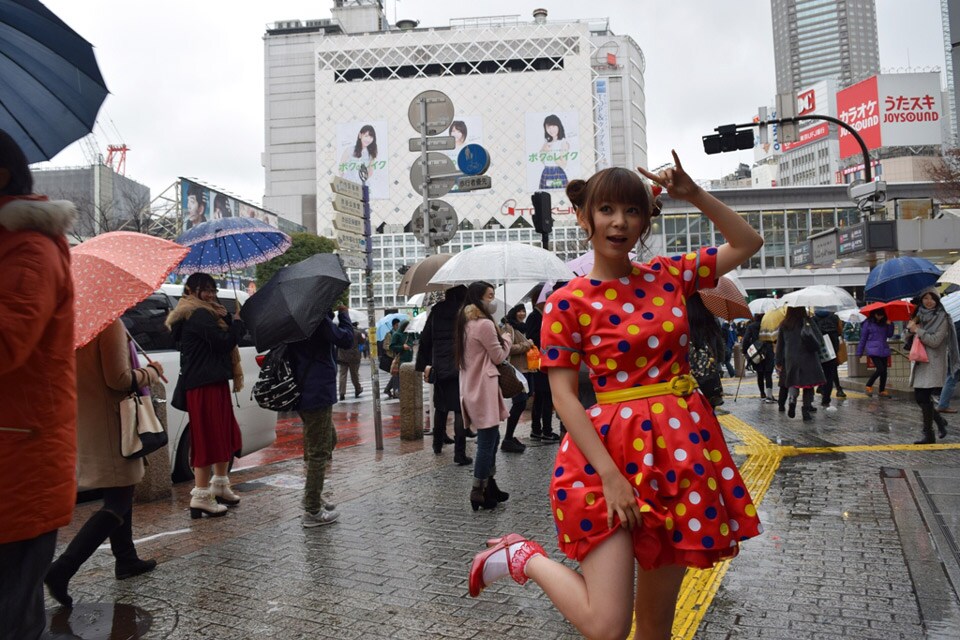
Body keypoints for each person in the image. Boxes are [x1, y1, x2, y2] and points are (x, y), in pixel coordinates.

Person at [469, 154, 764, 640]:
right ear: (585, 217)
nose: (619, 222)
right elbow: (563, 396)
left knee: (654, 629)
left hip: (681, 454)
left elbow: (747, 242)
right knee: (607, 626)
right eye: (606, 209)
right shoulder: (568, 301)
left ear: (646, 220)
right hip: (606, 457)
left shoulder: (669, 275)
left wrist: (694, 195)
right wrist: (610, 477)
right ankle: (524, 558)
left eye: (631, 211)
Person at [0, 130, 77, 640]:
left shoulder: (28, 251)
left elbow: (8, 343)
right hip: (15, 453)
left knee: (13, 620)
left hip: (18, 459)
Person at [44, 320, 162, 608]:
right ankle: (62, 569)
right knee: (118, 501)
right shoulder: (108, 324)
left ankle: (126, 558)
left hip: (89, 416)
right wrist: (151, 372)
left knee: (120, 490)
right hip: (112, 422)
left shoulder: (71, 324)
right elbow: (118, 379)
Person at [166, 273, 245, 519]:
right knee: (207, 437)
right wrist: (238, 323)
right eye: (205, 290)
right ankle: (201, 495)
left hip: (211, 381)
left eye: (213, 289)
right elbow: (223, 343)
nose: (211, 294)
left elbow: (219, 339)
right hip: (204, 385)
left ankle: (220, 484)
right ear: (190, 290)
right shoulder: (197, 313)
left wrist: (227, 318)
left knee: (222, 433)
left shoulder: (205, 312)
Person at [287, 305, 354, 526]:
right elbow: (345, 339)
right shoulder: (314, 318)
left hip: (303, 389)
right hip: (317, 391)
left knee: (326, 440)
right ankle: (312, 510)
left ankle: (312, 493)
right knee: (319, 450)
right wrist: (344, 315)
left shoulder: (297, 319)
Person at [456, 281, 512, 511]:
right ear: (478, 298)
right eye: (490, 295)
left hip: (471, 387)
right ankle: (478, 489)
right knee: (487, 441)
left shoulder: (464, 323)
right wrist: (507, 338)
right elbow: (498, 357)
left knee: (491, 438)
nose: (493, 300)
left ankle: (490, 486)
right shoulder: (483, 325)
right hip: (483, 388)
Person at [415, 286, 472, 464]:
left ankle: (437, 445)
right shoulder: (465, 312)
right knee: (459, 410)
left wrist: (422, 365)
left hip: (440, 366)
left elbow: (425, 339)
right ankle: (459, 454)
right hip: (460, 365)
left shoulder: (437, 310)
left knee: (440, 406)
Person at [905, 289, 960, 444]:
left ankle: (929, 434)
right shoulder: (918, 316)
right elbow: (908, 338)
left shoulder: (942, 317)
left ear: (937, 300)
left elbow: (936, 341)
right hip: (920, 361)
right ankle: (939, 423)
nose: (928, 301)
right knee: (920, 398)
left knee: (923, 397)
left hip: (933, 362)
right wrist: (909, 330)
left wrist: (918, 331)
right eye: (926, 298)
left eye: (932, 299)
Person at [775, 306, 826, 421]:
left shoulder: (784, 324)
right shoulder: (808, 321)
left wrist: (778, 361)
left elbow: (780, 345)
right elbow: (820, 339)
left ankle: (792, 399)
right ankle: (806, 410)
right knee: (808, 384)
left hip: (791, 358)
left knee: (793, 381)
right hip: (808, 356)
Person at [525, 297, 561, 442]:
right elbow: (533, 338)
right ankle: (545, 430)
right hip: (539, 363)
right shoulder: (534, 317)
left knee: (542, 398)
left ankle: (538, 430)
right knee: (545, 397)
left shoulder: (541, 316)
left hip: (542, 362)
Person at [500, 304, 534, 453]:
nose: (522, 314)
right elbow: (508, 348)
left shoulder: (521, 327)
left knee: (522, 401)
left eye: (523, 311)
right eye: (519, 311)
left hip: (525, 369)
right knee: (519, 402)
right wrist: (527, 345)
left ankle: (510, 436)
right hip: (515, 370)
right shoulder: (508, 328)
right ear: (513, 313)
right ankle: (507, 438)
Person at [688, 294, 726, 411]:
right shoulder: (710, 322)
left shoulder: (680, 321)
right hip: (709, 377)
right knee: (709, 412)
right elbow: (720, 349)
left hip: (687, 379)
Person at [856, 308, 894, 398]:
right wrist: (859, 352)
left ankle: (882, 390)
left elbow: (889, 334)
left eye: (882, 315)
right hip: (872, 350)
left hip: (883, 349)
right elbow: (863, 338)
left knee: (884, 371)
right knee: (880, 369)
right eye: (878, 315)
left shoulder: (885, 323)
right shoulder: (868, 323)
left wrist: (890, 325)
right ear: (874, 314)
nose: (880, 317)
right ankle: (868, 385)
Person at [813, 308, 843, 409]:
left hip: (818, 348)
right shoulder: (834, 318)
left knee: (819, 372)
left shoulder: (814, 319)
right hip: (832, 349)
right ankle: (826, 399)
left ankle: (821, 388)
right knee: (830, 373)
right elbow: (840, 331)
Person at [742, 313, 775, 402]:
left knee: (759, 374)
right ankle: (769, 395)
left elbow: (745, 340)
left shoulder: (751, 326)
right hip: (768, 351)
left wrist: (745, 351)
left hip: (757, 352)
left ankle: (762, 393)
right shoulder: (769, 325)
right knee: (768, 374)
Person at [538, 114, 570, 190]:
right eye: (548, 127)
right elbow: (543, 161)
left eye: (553, 126)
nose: (551, 130)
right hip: (546, 173)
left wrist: (551, 152)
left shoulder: (563, 143)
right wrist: (543, 151)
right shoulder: (546, 143)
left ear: (559, 126)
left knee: (555, 194)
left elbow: (563, 165)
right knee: (545, 195)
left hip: (557, 173)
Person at [337, 321, 364, 400]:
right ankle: (357, 389)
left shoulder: (341, 332)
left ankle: (342, 392)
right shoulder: (358, 333)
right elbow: (362, 343)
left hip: (342, 357)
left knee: (342, 375)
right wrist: (360, 352)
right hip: (354, 357)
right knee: (354, 374)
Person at [389, 320, 415, 399]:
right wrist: (402, 347)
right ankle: (401, 393)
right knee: (401, 378)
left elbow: (413, 341)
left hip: (409, 358)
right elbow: (392, 347)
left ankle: (393, 390)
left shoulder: (409, 334)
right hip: (401, 359)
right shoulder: (397, 334)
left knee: (403, 377)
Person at [383, 318, 401, 399]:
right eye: (397, 325)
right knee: (396, 374)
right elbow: (385, 346)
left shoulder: (399, 334)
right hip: (391, 357)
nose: (398, 326)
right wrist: (392, 347)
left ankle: (387, 389)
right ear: (394, 325)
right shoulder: (389, 334)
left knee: (395, 374)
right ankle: (395, 392)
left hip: (397, 357)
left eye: (399, 325)